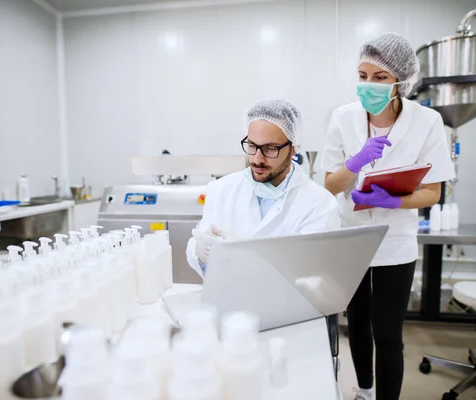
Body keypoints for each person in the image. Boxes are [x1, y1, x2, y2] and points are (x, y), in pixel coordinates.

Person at [321, 33, 455, 400]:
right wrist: (357, 161)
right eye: (362, 75)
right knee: (358, 323)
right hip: (350, 237)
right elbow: (330, 185)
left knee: (389, 333)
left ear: (401, 81)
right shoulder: (343, 118)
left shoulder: (427, 122)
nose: (368, 85)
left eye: (379, 77)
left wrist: (393, 201)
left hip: (395, 241)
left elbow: (433, 191)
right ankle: (364, 391)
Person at [186, 99, 340, 278]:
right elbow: (207, 266)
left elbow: (312, 275)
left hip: (289, 305)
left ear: (293, 149)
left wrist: (246, 258)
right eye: (252, 145)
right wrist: (202, 255)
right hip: (230, 301)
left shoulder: (319, 204)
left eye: (270, 148)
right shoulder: (221, 190)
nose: (258, 159)